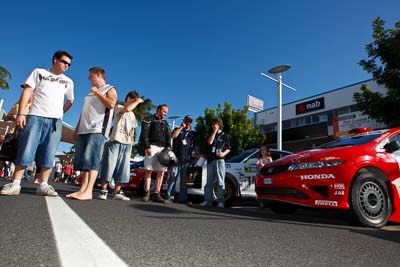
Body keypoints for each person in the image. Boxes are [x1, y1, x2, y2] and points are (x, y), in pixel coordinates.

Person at [1, 50, 74, 196]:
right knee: (27, 148)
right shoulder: (39, 72)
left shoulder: (68, 81)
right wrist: (21, 113)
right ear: (55, 60)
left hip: (55, 121)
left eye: (69, 64)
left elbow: (70, 101)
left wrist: (59, 113)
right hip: (35, 116)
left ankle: (43, 185)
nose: (66, 66)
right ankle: (16, 183)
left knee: (49, 151)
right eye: (64, 62)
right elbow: (27, 91)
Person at [66, 67, 117, 200]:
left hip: (97, 128)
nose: (88, 78)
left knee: (92, 159)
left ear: (98, 75)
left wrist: (98, 93)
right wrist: (77, 129)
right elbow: (84, 112)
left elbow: (111, 104)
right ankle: (82, 190)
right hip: (84, 129)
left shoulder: (109, 89)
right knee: (84, 161)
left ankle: (89, 191)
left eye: (90, 75)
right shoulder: (89, 94)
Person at [98, 91, 143, 201]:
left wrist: (132, 137)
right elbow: (127, 109)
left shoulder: (132, 114)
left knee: (123, 168)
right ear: (128, 99)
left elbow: (133, 128)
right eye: (133, 100)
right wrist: (137, 101)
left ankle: (117, 191)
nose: (135, 103)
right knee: (109, 164)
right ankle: (103, 190)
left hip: (127, 144)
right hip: (115, 141)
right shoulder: (119, 107)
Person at [139, 104, 171, 203]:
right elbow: (144, 134)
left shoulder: (166, 123)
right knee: (149, 170)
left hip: (162, 149)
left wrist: (167, 149)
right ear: (158, 110)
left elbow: (168, 137)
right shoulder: (148, 119)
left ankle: (157, 194)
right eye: (164, 111)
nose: (165, 114)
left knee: (161, 172)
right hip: (152, 146)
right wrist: (147, 146)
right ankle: (147, 193)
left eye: (166, 112)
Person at [165, 115, 200, 203]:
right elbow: (173, 136)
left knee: (184, 180)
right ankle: (169, 197)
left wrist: (196, 157)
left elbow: (196, 146)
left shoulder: (193, 133)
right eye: (187, 121)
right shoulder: (178, 130)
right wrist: (181, 127)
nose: (188, 123)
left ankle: (183, 198)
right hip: (176, 158)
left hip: (187, 160)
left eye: (190, 122)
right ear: (183, 121)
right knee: (172, 178)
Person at [200, 118, 231, 208]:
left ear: (220, 125)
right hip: (211, 160)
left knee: (220, 182)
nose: (214, 125)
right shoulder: (211, 134)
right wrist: (214, 132)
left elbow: (229, 148)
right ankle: (207, 200)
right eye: (213, 124)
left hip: (220, 160)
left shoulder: (225, 136)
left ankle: (220, 202)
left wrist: (223, 153)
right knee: (208, 182)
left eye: (215, 124)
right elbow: (209, 142)